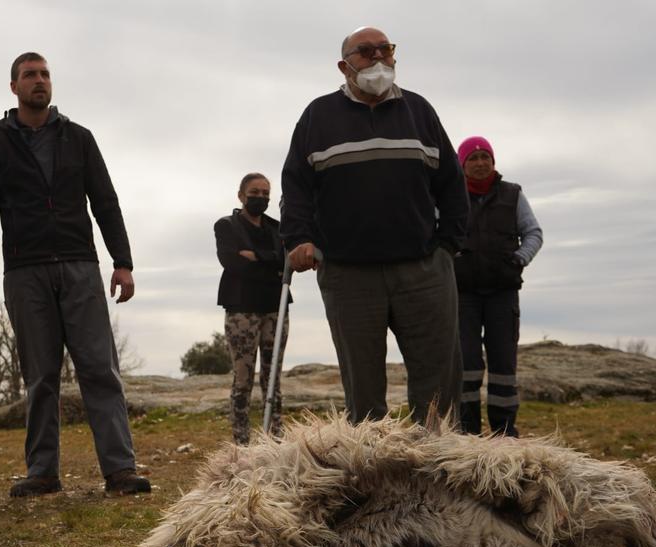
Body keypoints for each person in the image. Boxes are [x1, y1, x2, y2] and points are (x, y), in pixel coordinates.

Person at [0, 52, 149, 497]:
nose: (39, 81)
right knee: (40, 376)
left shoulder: (79, 139)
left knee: (99, 369)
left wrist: (122, 261)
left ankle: (120, 470)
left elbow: (105, 202)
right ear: (14, 87)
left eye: (45, 74)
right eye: (30, 75)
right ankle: (43, 472)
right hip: (25, 273)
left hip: (80, 267)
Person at [280, 26, 469, 425]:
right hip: (349, 274)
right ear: (344, 66)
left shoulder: (419, 111)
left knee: (438, 383)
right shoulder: (318, 116)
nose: (379, 58)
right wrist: (298, 238)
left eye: (386, 49)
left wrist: (447, 247)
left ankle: (436, 471)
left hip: (423, 270)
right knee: (363, 394)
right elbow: (295, 187)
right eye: (367, 52)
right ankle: (372, 478)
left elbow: (452, 183)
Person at [454, 136, 543, 437]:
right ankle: (466, 433)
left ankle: (504, 434)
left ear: (493, 161)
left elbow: (533, 233)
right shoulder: (450, 196)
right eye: (473, 158)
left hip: (503, 293)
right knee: (466, 364)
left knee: (504, 366)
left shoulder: (512, 194)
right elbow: (434, 233)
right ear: (462, 164)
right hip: (461, 294)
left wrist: (519, 259)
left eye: (485, 157)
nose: (480, 163)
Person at [215, 172, 288, 444]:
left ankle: (275, 438)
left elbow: (285, 262)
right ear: (241, 195)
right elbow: (232, 263)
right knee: (243, 378)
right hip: (241, 308)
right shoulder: (226, 226)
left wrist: (257, 257)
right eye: (255, 192)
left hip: (275, 308)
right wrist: (271, 265)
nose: (261, 198)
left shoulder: (278, 228)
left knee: (273, 380)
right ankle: (241, 443)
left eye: (266, 193)